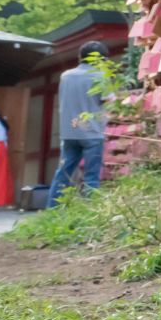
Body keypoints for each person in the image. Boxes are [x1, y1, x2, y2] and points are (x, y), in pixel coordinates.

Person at [46, 41, 108, 208]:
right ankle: (90, 211)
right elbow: (109, 102)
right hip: (92, 132)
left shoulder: (65, 76)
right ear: (101, 59)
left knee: (63, 173)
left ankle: (52, 209)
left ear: (80, 57)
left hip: (69, 132)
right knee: (91, 175)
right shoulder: (101, 76)